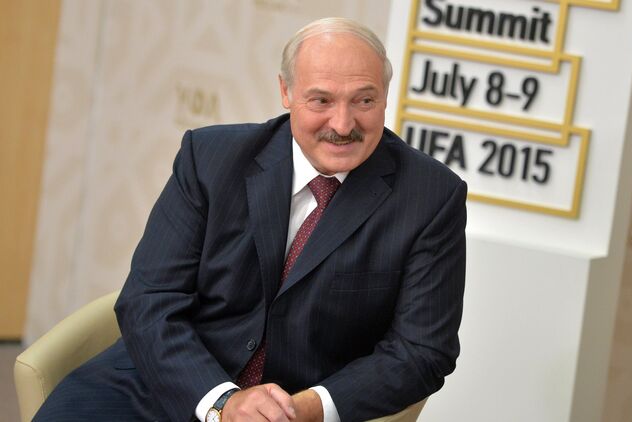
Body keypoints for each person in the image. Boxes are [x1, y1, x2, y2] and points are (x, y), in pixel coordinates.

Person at [35, 17, 466, 422]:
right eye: (321, 100)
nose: (342, 123)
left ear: (385, 96)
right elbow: (150, 300)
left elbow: (422, 350)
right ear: (286, 91)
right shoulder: (210, 159)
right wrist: (222, 401)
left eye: (364, 100)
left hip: (293, 408)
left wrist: (305, 408)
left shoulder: (431, 197)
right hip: (167, 385)